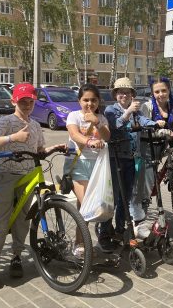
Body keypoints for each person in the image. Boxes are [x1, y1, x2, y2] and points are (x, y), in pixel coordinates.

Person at [0, 83, 65, 289]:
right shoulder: (7, 121)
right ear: (14, 102)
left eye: (30, 101)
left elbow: (39, 149)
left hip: (27, 175)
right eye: (22, 101)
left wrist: (54, 147)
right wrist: (13, 138)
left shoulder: (35, 125)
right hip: (6, 174)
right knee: (1, 221)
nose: (27, 105)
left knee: (22, 219)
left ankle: (16, 256)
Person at [98, 77, 158, 251]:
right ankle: (104, 233)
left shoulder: (136, 110)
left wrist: (154, 123)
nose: (124, 95)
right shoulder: (111, 110)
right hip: (115, 159)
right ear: (116, 95)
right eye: (120, 92)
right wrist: (128, 112)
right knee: (113, 198)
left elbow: (143, 120)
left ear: (132, 94)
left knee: (126, 197)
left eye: (127, 92)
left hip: (131, 159)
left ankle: (120, 228)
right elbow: (114, 126)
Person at [64, 84, 110, 256]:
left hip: (98, 167)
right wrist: (89, 141)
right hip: (78, 164)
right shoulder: (73, 115)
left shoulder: (101, 118)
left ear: (98, 101)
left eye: (93, 100)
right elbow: (74, 134)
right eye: (86, 100)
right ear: (79, 101)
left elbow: (107, 137)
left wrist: (97, 123)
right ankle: (85, 244)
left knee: (82, 208)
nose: (89, 104)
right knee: (88, 205)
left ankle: (79, 243)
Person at [132, 78, 173, 230]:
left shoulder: (171, 106)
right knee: (146, 185)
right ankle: (138, 220)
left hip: (161, 147)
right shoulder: (147, 106)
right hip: (146, 148)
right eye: (157, 91)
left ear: (169, 90)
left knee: (158, 178)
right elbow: (144, 125)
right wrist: (161, 130)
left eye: (164, 90)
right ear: (152, 93)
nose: (161, 94)